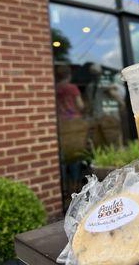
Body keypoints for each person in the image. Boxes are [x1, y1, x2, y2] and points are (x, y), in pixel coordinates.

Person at [55, 65, 87, 198]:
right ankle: (75, 187)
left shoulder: (56, 88)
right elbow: (80, 105)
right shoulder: (72, 88)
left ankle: (64, 188)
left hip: (61, 123)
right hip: (74, 123)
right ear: (69, 75)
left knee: (63, 157)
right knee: (75, 156)